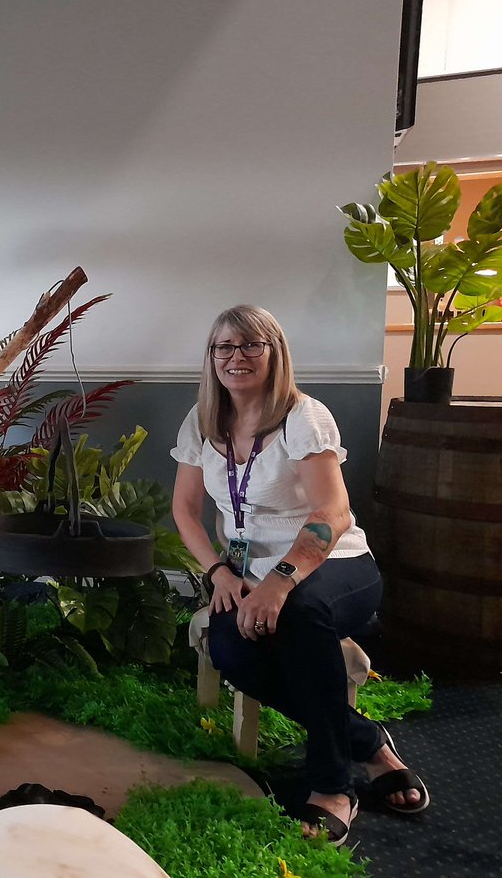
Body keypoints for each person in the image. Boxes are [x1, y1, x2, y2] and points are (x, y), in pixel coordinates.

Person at [170, 304, 430, 846]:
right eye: (224, 347)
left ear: (274, 353)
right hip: (246, 574)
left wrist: (281, 580)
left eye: (250, 346)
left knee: (304, 614)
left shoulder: (303, 416)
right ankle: (366, 741)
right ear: (211, 357)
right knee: (233, 650)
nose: (236, 357)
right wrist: (218, 571)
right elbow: (185, 512)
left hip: (336, 565)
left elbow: (331, 513)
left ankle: (332, 784)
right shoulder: (201, 423)